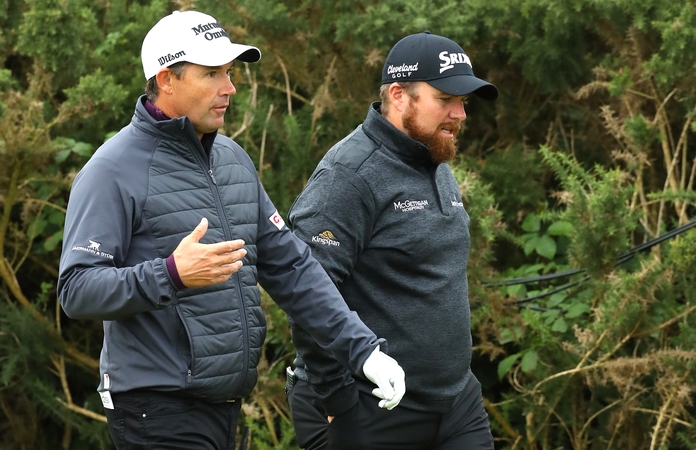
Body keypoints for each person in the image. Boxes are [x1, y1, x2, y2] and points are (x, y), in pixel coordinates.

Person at [57, 10, 407, 450]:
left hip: (225, 405)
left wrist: (363, 351)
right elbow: (76, 289)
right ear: (166, 79)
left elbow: (293, 267)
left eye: (229, 72)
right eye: (212, 74)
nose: (230, 88)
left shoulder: (232, 159)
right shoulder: (111, 169)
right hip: (155, 409)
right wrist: (171, 273)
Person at [285, 31, 499, 449]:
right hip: (369, 408)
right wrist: (337, 399)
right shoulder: (347, 177)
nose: (460, 113)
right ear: (400, 95)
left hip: (455, 405)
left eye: (464, 102)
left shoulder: (434, 155)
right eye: (446, 99)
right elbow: (304, 292)